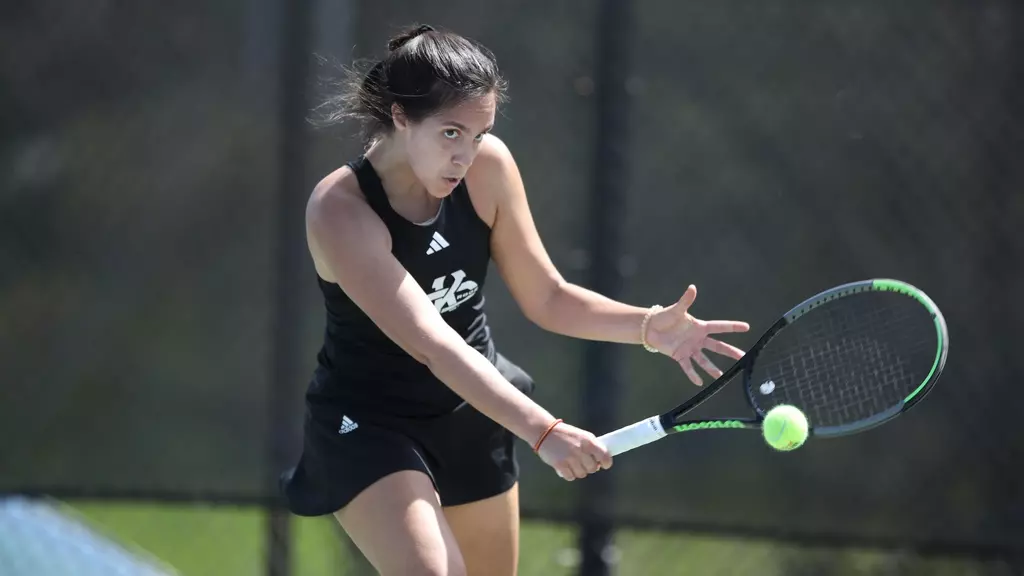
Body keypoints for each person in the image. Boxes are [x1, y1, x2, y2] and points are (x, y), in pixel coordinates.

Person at [279, 23, 750, 576]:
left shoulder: (489, 169)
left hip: (472, 412)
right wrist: (543, 430)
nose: (466, 155)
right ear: (402, 117)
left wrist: (648, 327)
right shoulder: (340, 210)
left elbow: (548, 296)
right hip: (371, 423)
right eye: (451, 133)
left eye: (478, 135)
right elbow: (433, 344)